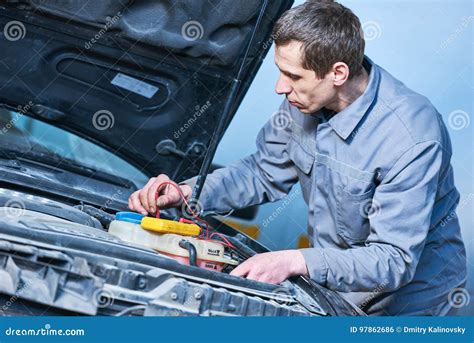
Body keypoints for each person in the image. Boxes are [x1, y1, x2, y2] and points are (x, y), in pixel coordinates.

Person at [128, 1, 467, 316]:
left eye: (292, 76)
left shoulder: (411, 137)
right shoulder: (305, 100)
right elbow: (262, 172)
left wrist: (295, 261)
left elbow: (393, 260)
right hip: (334, 279)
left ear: (338, 73)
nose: (280, 87)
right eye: (280, 71)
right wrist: (187, 195)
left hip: (409, 301)